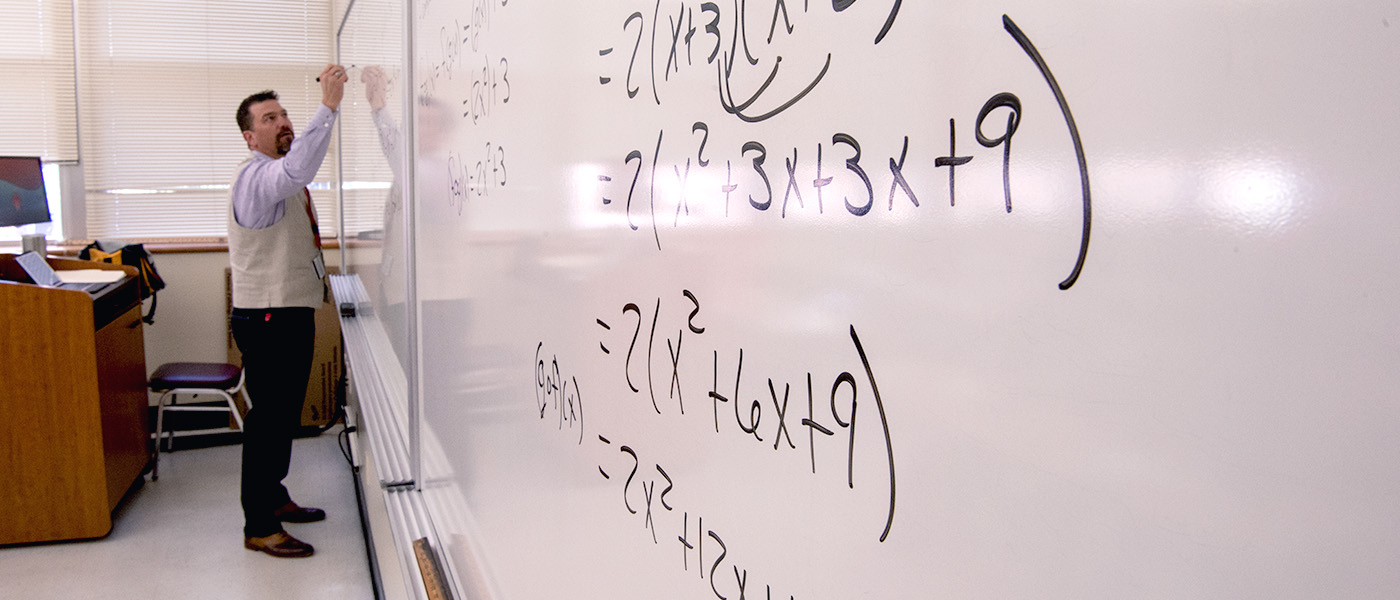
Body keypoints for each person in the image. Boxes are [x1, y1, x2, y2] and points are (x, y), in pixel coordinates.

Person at [229, 64, 348, 558]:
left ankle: (273, 499)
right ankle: (258, 525)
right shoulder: (259, 179)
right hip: (270, 317)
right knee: (269, 420)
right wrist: (330, 107)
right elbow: (299, 165)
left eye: (284, 115)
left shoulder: (281, 182)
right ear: (249, 136)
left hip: (287, 313)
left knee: (280, 418)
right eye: (269, 118)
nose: (282, 123)